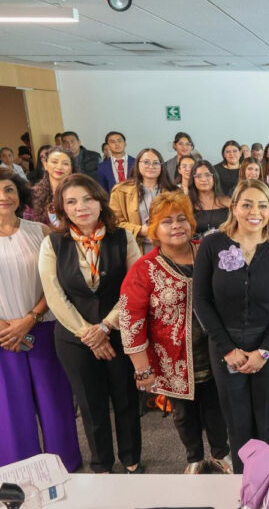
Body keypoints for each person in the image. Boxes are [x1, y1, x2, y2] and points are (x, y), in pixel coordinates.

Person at [120, 192, 231, 475]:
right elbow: (130, 319)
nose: (176, 226)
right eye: (166, 221)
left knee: (217, 406)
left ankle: (221, 454)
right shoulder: (143, 268)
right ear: (154, 228)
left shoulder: (209, 252)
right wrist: (142, 369)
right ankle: (194, 457)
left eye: (182, 218)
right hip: (172, 358)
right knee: (184, 413)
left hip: (217, 350)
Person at [39, 173, 143, 474]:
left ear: (100, 201)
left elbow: (134, 289)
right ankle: (101, 464)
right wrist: (89, 333)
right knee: (90, 403)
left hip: (119, 332)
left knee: (125, 399)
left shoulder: (122, 237)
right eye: (71, 201)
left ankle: (131, 458)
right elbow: (54, 295)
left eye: (87, 198)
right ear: (62, 207)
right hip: (75, 339)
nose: (80, 206)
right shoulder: (53, 243)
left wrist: (106, 327)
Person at [194, 179, 269, 474]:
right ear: (234, 207)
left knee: (268, 421)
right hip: (225, 347)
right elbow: (201, 300)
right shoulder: (213, 244)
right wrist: (227, 350)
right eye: (248, 204)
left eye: (263, 205)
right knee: (237, 423)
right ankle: (245, 486)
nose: (256, 211)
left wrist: (264, 351)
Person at [0, 169, 81, 471]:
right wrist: (6, 327)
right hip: (2, 337)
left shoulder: (41, 231)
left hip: (43, 327)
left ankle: (65, 466)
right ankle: (18, 472)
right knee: (10, 409)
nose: (3, 197)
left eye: (8, 190)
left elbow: (58, 281)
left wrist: (30, 319)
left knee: (55, 401)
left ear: (19, 194)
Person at [110, 148, 176, 255]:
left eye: (156, 163)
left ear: (161, 166)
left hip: (168, 248)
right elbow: (114, 222)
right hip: (135, 249)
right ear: (137, 164)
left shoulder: (174, 192)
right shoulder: (120, 191)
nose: (151, 166)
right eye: (146, 162)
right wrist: (140, 230)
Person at [26, 146, 75, 228]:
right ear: (45, 165)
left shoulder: (78, 192)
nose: (59, 167)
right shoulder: (33, 194)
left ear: (71, 168)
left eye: (65, 163)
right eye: (54, 162)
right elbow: (28, 225)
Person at [188, 160, 230, 239]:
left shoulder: (227, 202)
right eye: (198, 176)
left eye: (207, 175)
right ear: (193, 180)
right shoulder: (187, 204)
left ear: (214, 177)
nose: (203, 179)